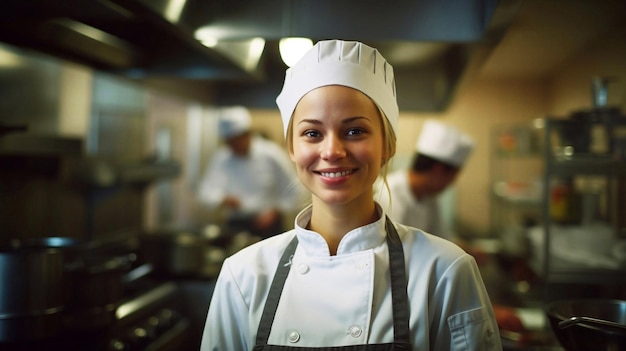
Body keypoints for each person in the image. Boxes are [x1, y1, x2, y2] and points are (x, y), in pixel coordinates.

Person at [201, 40, 501, 350]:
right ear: (292, 148)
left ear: (388, 145)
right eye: (312, 133)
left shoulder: (445, 272)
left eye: (355, 131)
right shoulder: (242, 276)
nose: (332, 151)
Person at [197, 106, 303, 239]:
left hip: (269, 226)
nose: (234, 147)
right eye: (230, 143)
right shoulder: (222, 158)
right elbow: (205, 192)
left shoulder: (271, 154)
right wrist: (223, 199)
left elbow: (294, 187)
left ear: (247, 134)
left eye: (236, 141)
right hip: (236, 225)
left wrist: (276, 211)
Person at [376, 119, 474, 241]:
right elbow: (393, 249)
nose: (452, 183)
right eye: (453, 176)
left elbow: (442, 238)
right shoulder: (388, 194)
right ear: (439, 170)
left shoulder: (428, 197)